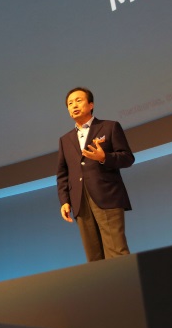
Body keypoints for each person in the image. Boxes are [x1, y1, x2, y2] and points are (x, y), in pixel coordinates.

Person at [56, 87, 135, 262]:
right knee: (94, 258)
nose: (74, 105)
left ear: (91, 105)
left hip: (107, 196)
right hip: (80, 201)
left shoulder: (109, 127)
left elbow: (127, 158)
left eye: (78, 101)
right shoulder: (65, 140)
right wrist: (65, 201)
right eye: (70, 103)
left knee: (116, 252)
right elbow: (62, 174)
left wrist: (104, 157)